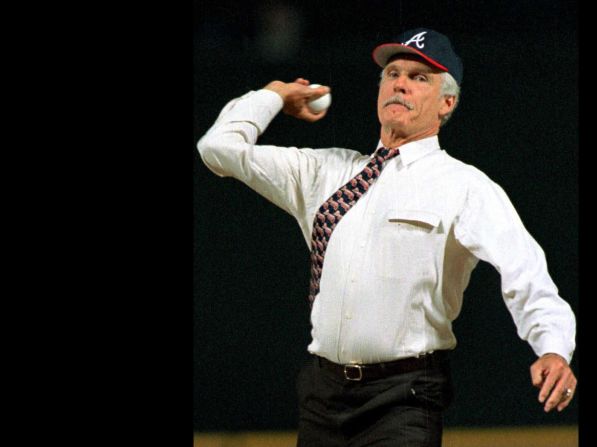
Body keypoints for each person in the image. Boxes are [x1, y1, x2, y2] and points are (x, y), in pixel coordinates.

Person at [197, 27, 577, 447]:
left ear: (447, 102)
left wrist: (553, 346)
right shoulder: (324, 172)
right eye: (393, 72)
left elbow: (525, 272)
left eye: (419, 77)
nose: (399, 82)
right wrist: (272, 95)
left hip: (406, 396)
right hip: (322, 394)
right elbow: (218, 148)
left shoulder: (465, 186)